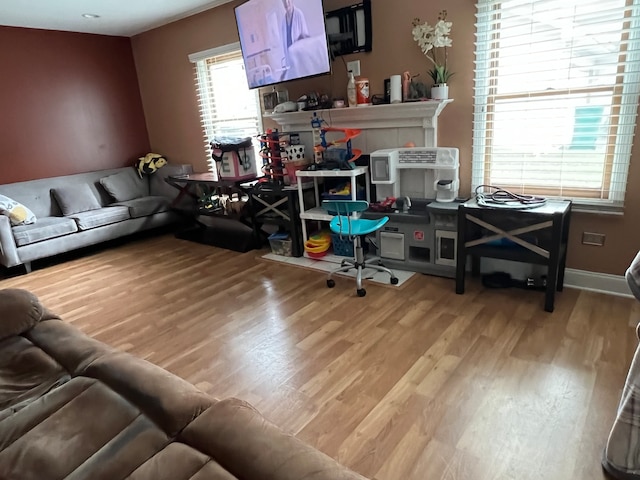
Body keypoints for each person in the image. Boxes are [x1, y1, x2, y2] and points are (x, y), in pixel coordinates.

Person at [280, 0, 309, 80]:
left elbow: (305, 36)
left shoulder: (299, 14)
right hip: (289, 60)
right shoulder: (283, 22)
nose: (286, 3)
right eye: (284, 1)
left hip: (300, 57)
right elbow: (284, 44)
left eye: (288, 0)